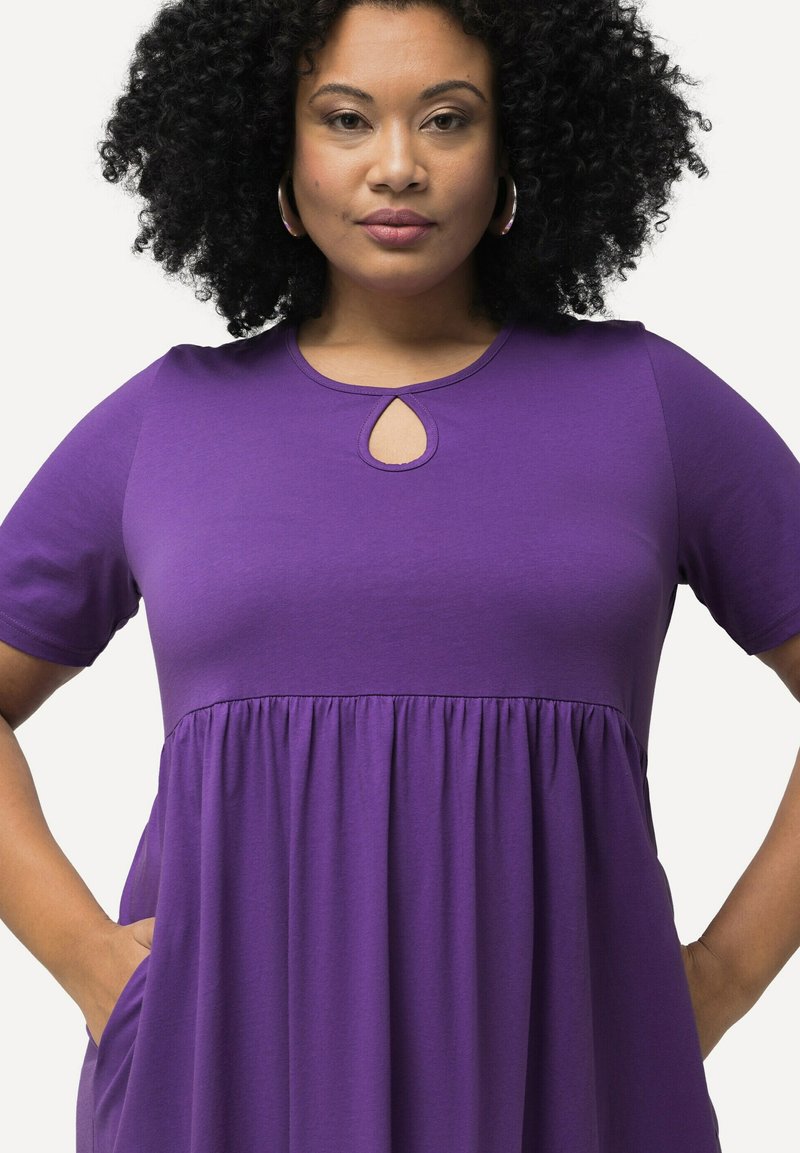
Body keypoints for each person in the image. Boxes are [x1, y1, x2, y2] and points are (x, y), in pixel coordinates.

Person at [0, 1, 799, 1150]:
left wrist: (721, 974)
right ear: (273, 146)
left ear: (517, 140)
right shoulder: (167, 419)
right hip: (225, 1073)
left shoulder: (648, 403)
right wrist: (87, 958)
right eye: (343, 118)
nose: (396, 165)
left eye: (446, 118)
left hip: (566, 1072)